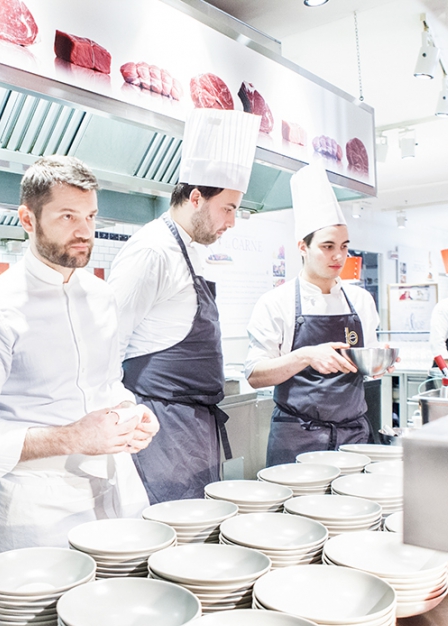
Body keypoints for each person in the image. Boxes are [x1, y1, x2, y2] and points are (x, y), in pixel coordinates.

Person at [0, 155, 158, 558]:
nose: (84, 232)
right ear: (28, 219)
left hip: (118, 497)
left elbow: (108, 384)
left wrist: (132, 414)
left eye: (91, 216)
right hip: (38, 514)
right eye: (67, 217)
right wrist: (72, 438)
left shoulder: (102, 296)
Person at [107, 109, 261, 504]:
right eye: (228, 208)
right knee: (170, 538)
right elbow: (106, 344)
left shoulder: (190, 250)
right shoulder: (151, 252)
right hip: (162, 429)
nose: (232, 221)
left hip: (192, 427)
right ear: (196, 198)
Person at [244, 163, 381, 466]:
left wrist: (379, 362)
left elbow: (367, 363)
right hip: (298, 439)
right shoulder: (276, 302)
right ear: (302, 247)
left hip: (353, 438)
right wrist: (306, 356)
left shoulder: (360, 301)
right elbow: (254, 375)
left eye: (344, 247)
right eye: (327, 246)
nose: (339, 257)